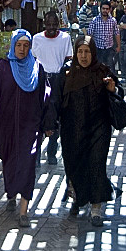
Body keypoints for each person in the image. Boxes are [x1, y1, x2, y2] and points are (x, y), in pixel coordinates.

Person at [0, 30, 54, 227]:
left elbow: (45, 98)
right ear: (13, 46)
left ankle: (24, 210)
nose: (22, 49)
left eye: (26, 45)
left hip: (30, 126)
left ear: (30, 47)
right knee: (10, 163)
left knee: (28, 164)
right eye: (19, 45)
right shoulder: (3, 68)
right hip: (6, 127)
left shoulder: (37, 68)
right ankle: (11, 193)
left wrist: (47, 124)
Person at [49, 33, 123, 227]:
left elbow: (119, 93)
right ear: (75, 53)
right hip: (72, 131)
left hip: (99, 129)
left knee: (96, 166)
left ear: (93, 53)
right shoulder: (66, 74)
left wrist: (112, 89)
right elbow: (55, 101)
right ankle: (77, 198)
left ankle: (96, 208)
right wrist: (50, 125)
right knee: (74, 165)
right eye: (80, 52)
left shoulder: (102, 71)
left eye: (87, 52)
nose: (83, 56)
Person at [31, 11, 72, 165]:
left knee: (56, 117)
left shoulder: (65, 38)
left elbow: (68, 59)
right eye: (49, 24)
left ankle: (52, 153)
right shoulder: (37, 39)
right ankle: (35, 153)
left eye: (54, 24)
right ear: (44, 24)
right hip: (41, 80)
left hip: (58, 80)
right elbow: (33, 60)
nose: (52, 27)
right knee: (38, 115)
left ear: (59, 24)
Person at [86, 0, 119, 70]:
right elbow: (89, 34)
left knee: (110, 67)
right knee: (98, 67)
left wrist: (118, 46)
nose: (105, 10)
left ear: (109, 10)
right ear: (100, 9)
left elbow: (117, 33)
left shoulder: (113, 21)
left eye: (107, 9)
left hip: (109, 48)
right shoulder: (95, 20)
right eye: (103, 8)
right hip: (98, 48)